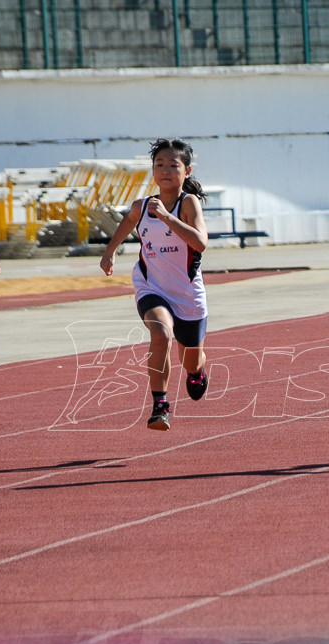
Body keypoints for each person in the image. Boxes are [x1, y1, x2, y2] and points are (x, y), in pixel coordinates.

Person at [100, 138, 209, 431]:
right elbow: (127, 223)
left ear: (187, 171)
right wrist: (110, 252)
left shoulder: (188, 203)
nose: (165, 170)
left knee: (191, 360)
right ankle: (160, 405)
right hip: (152, 287)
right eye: (159, 164)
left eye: (173, 165)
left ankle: (197, 371)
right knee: (160, 333)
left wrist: (166, 218)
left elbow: (200, 242)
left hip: (187, 294)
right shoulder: (143, 206)